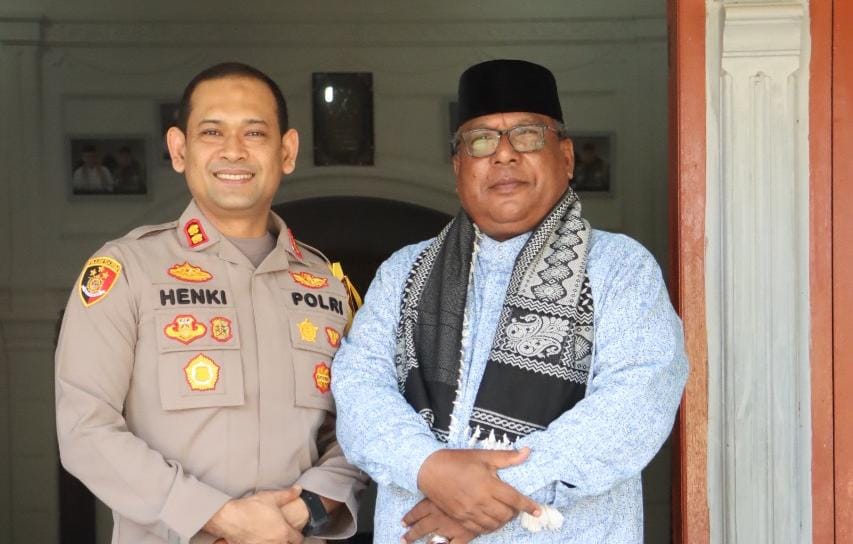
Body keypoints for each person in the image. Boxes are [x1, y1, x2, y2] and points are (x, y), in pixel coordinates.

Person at [332, 59, 689, 543]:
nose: (503, 155)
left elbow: (636, 402)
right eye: (481, 141)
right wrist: (429, 467)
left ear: (566, 157)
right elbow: (359, 386)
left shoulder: (620, 267)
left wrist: (492, 492)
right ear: (458, 167)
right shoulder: (404, 271)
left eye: (527, 136)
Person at [56, 62, 367, 544]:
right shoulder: (126, 270)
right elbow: (85, 429)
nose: (234, 150)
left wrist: (303, 510)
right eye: (212, 132)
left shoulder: (326, 285)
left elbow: (358, 429)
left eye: (255, 132)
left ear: (287, 151)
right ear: (180, 149)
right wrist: (220, 517)